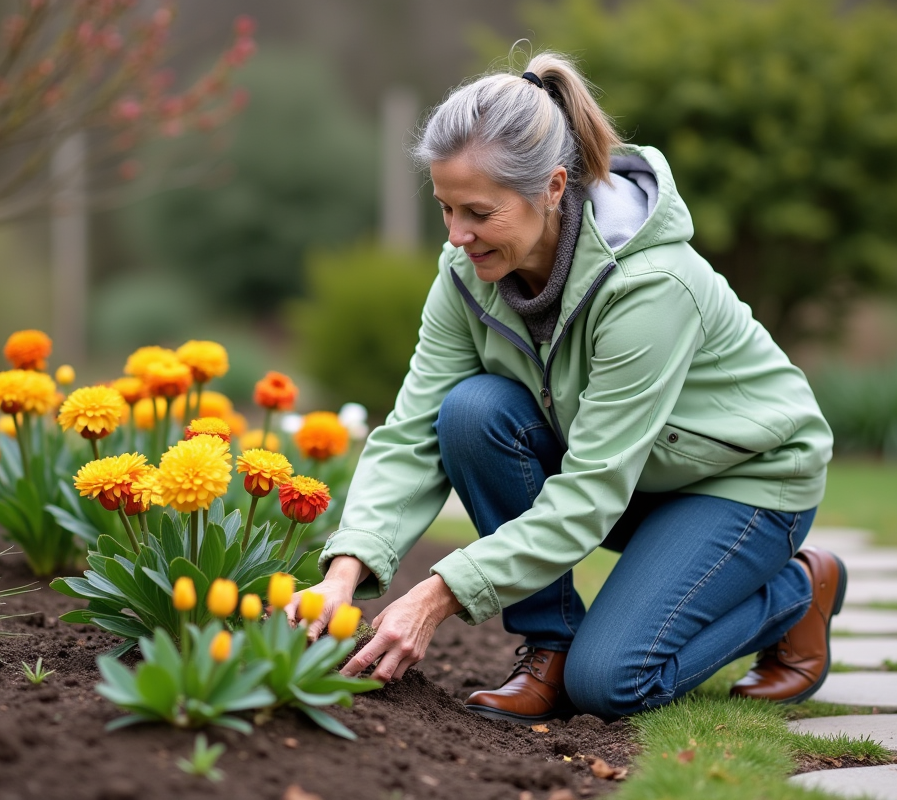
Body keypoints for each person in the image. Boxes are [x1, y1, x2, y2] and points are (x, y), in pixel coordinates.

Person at [286, 51, 844, 723]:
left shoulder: (649, 287)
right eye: (444, 208)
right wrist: (347, 566)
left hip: (743, 480)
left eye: (479, 213)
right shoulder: (465, 274)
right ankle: (549, 648)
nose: (458, 236)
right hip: (639, 477)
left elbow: (589, 492)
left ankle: (794, 590)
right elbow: (411, 431)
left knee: (611, 684)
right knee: (470, 413)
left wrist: (439, 592)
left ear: (553, 188)